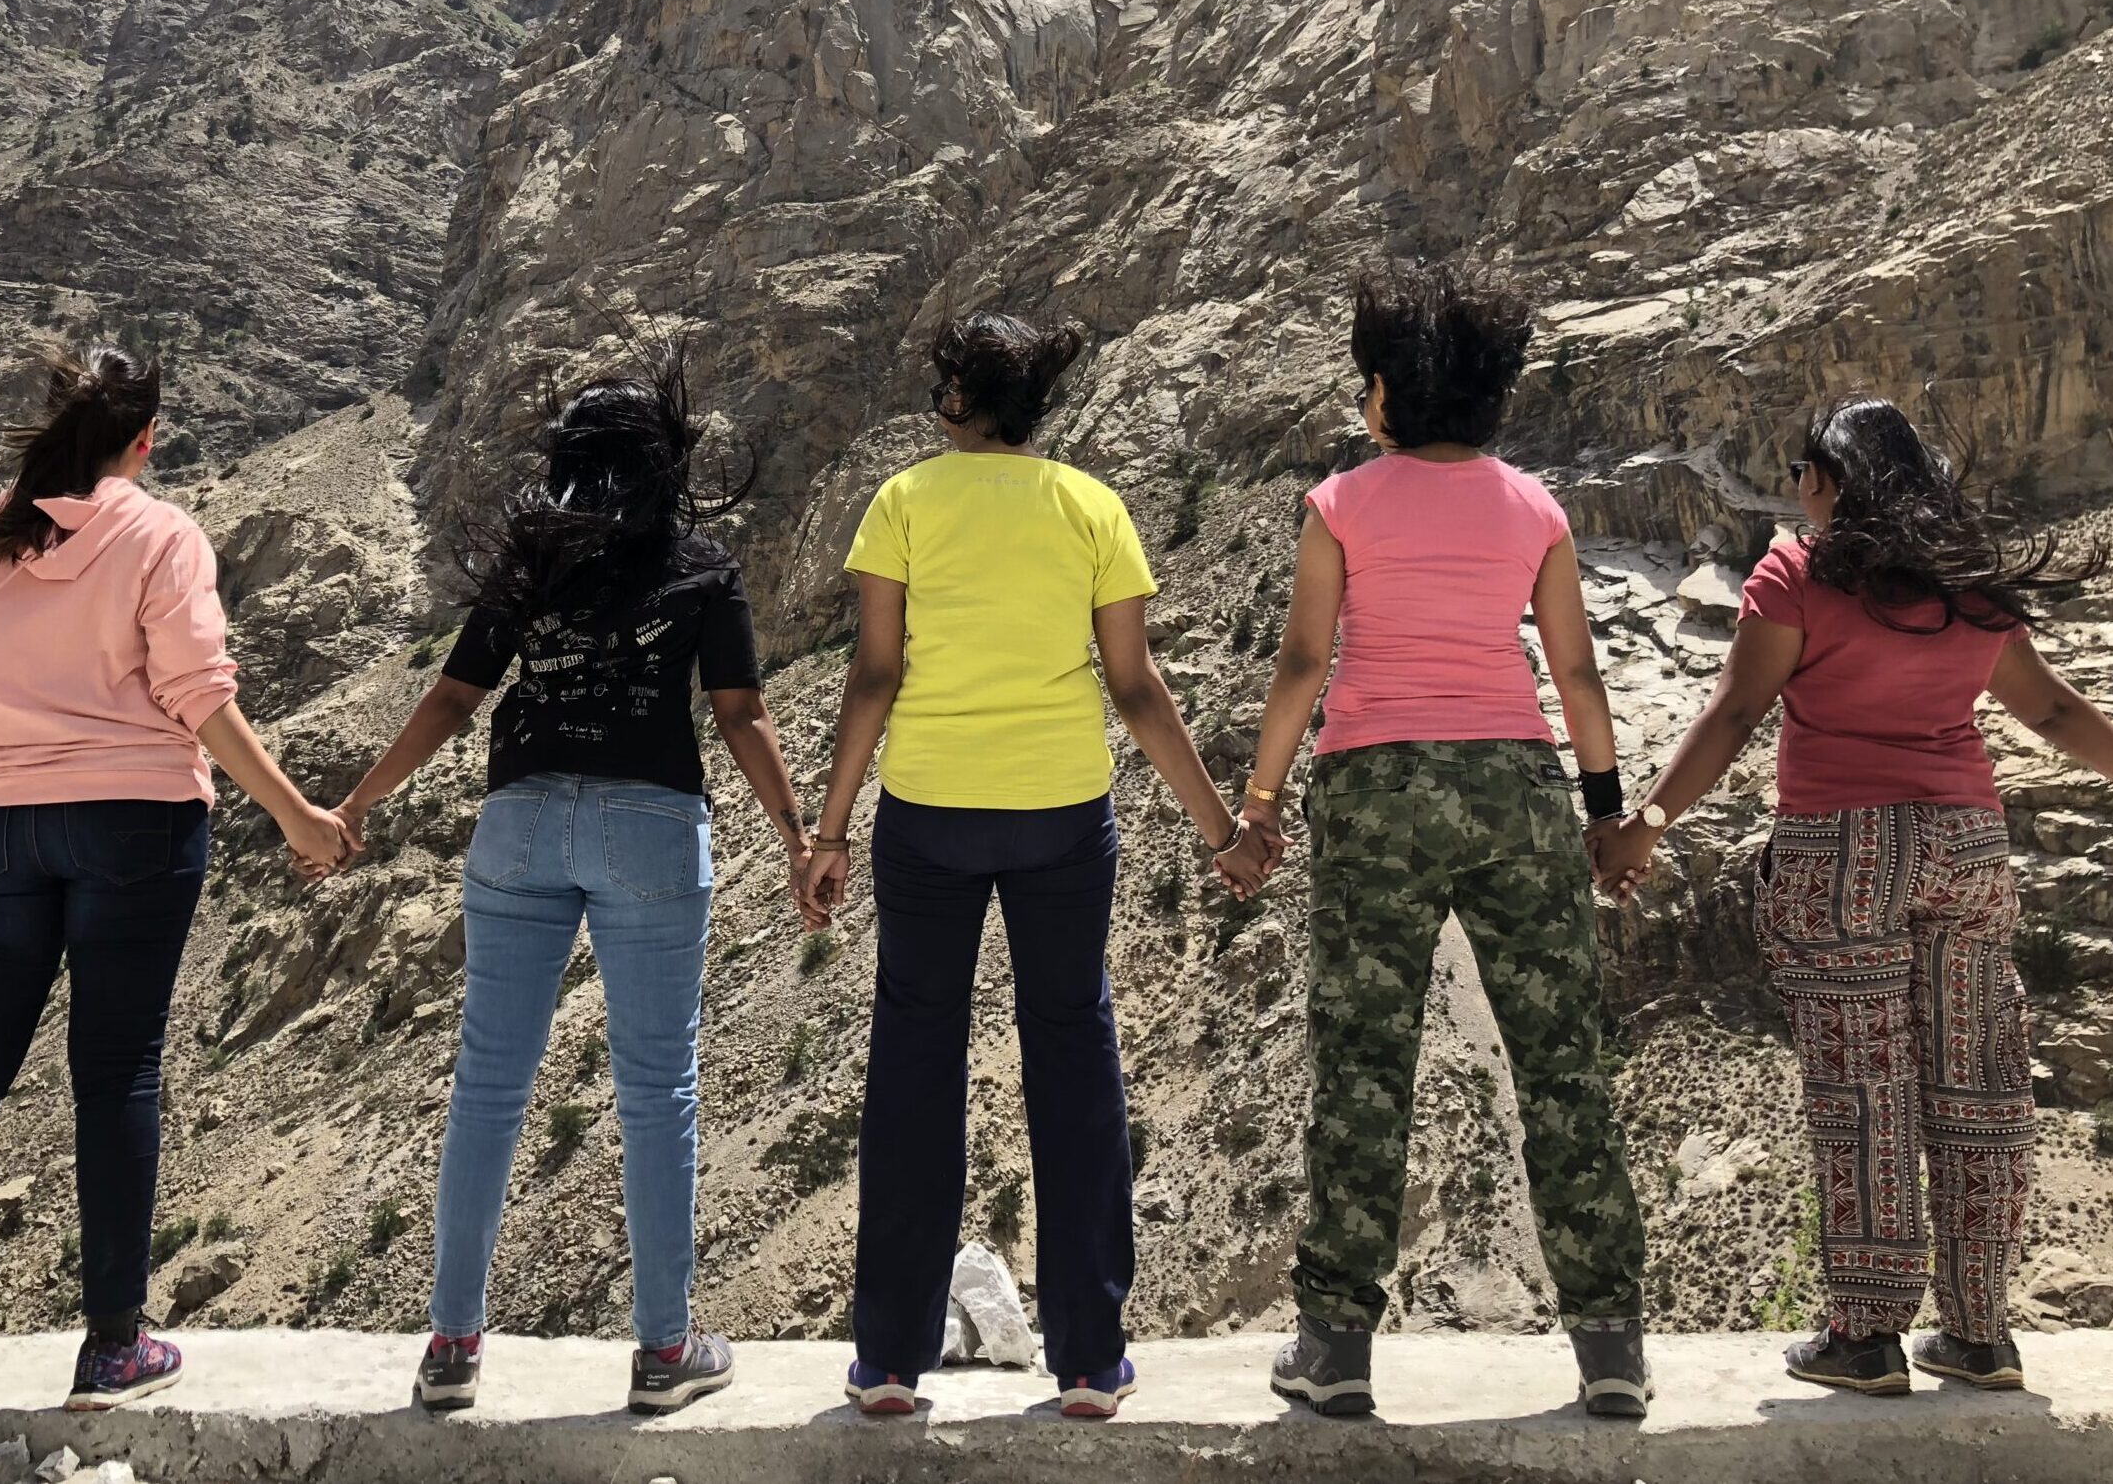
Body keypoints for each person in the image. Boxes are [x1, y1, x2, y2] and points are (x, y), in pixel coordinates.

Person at [1589, 397, 2113, 1396]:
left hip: (1841, 852)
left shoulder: (1797, 574)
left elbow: (1737, 711)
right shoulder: (1968, 582)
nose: (1795, 491)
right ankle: (1980, 1334)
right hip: (1964, 845)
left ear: (1830, 478)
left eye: (1801, 472)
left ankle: (1866, 1334)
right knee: (1978, 1081)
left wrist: (1645, 823)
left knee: (1864, 1089)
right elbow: (2050, 708)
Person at [0, 345, 352, 1412]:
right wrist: (295, 813)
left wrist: (11, 731)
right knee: (117, 1072)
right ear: (145, 439)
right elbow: (197, 691)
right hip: (137, 821)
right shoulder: (161, 534)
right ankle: (113, 1347)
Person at [330, 356, 811, 1417]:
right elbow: (740, 713)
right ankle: (665, 1349)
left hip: (521, 821)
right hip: (650, 825)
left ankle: (451, 1347)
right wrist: (798, 836)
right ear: (663, 460)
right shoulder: (701, 563)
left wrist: (357, 801)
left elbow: (454, 697)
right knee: (657, 1088)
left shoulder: (529, 559)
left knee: (488, 1086)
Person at [803, 311, 1258, 1423]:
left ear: (961, 397)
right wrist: (1220, 829)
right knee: (1073, 1051)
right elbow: (1136, 687)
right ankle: (1092, 1359)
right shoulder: (1092, 505)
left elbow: (874, 676)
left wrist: (830, 828)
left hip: (929, 812)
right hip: (1061, 811)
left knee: (916, 1058)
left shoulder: (904, 501)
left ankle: (891, 1359)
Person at [1232, 261, 1651, 1421]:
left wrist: (1261, 801)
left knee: (1365, 1064)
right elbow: (1575, 671)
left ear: (1386, 391)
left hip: (1374, 788)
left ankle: (1335, 1346)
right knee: (1560, 1060)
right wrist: (1605, 810)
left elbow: (1304, 662)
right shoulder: (1535, 509)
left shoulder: (1340, 503)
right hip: (1515, 783)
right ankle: (1611, 1344)